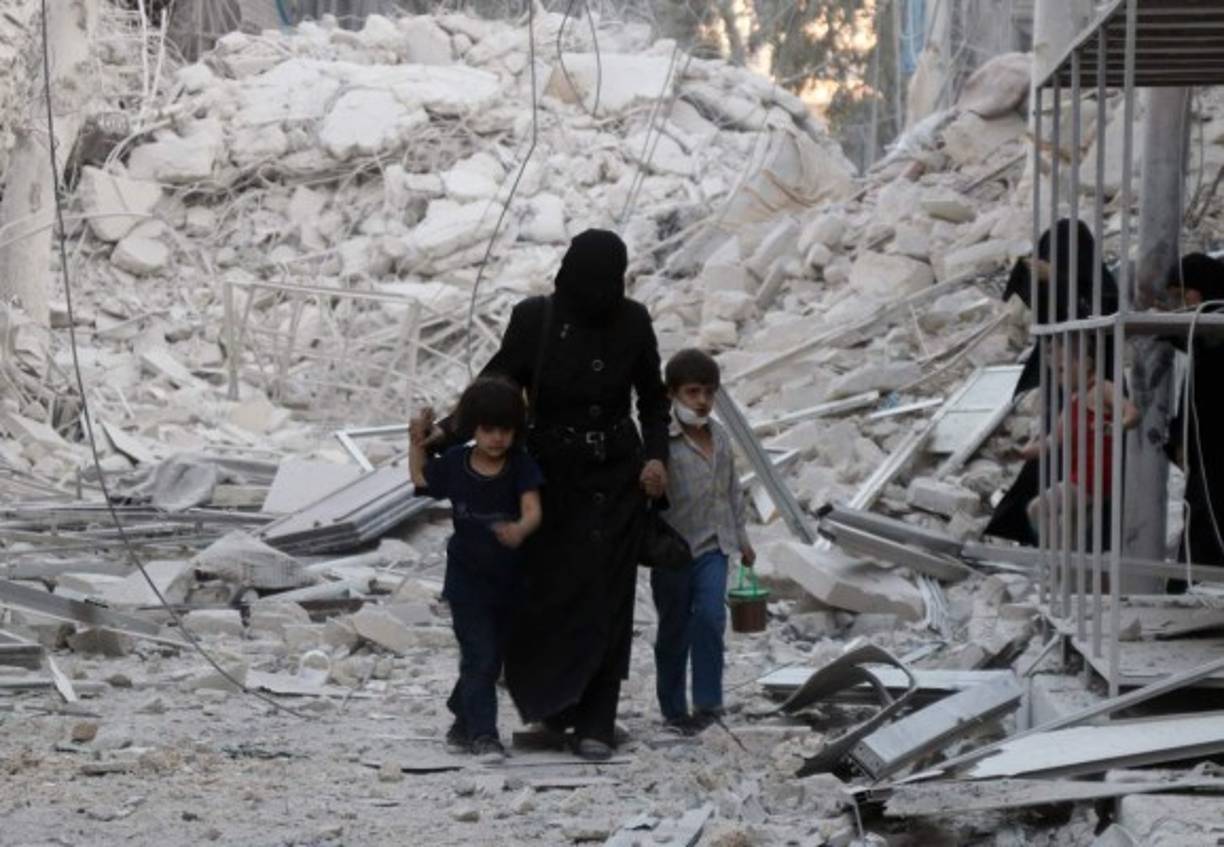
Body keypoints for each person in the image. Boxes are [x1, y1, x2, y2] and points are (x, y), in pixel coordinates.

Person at [425, 229, 670, 761]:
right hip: (549, 479)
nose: (598, 292)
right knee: (545, 600)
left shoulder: (633, 321)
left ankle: (597, 720)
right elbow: (495, 388)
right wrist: (444, 433)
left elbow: (653, 400)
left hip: (615, 482)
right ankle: (551, 711)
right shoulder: (536, 318)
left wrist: (656, 458)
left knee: (609, 600)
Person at [408, 377, 543, 763]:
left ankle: (462, 716)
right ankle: (485, 736)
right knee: (480, 656)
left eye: (505, 430)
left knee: (491, 660)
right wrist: (415, 443)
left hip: (510, 582)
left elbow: (533, 509)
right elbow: (420, 478)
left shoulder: (520, 465)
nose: (497, 438)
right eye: (488, 429)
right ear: (473, 428)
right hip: (466, 581)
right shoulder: (455, 463)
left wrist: (520, 530)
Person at [987, 218, 1119, 545]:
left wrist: (1060, 280)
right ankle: (1054, 550)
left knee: (1083, 480)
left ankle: (1073, 551)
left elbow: (1095, 317)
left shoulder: (1101, 291)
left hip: (1090, 390)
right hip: (1064, 387)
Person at [650, 349, 754, 735]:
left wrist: (742, 539)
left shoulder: (720, 437)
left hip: (714, 547)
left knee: (711, 618)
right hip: (672, 550)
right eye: (692, 392)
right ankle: (674, 709)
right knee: (674, 627)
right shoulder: (660, 442)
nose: (702, 401)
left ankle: (708, 703)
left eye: (709, 392)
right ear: (672, 394)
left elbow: (732, 491)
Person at [1020, 338, 1137, 547]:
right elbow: (1054, 440)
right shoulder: (1073, 400)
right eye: (1055, 372)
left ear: (1087, 364)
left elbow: (1132, 413)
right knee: (1071, 538)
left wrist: (1116, 426)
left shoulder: (1101, 388)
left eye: (1062, 370)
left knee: (1037, 509)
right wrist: (1023, 452)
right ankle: (1065, 563)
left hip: (1095, 477)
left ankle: (1053, 557)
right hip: (1079, 476)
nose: (1058, 378)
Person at [1164, 253, 1224, 569]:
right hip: (1205, 451)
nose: (1179, 304)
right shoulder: (1201, 333)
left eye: (1182, 294)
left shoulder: (1215, 326)